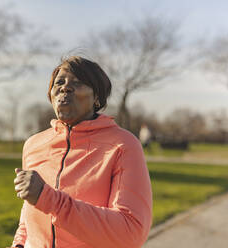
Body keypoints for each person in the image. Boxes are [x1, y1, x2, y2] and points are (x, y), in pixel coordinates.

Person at [12, 56, 152, 248]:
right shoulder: (33, 145)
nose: (65, 87)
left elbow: (130, 233)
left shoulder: (123, 145)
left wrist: (48, 199)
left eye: (78, 82)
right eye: (59, 82)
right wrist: (19, 244)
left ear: (97, 98)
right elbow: (28, 212)